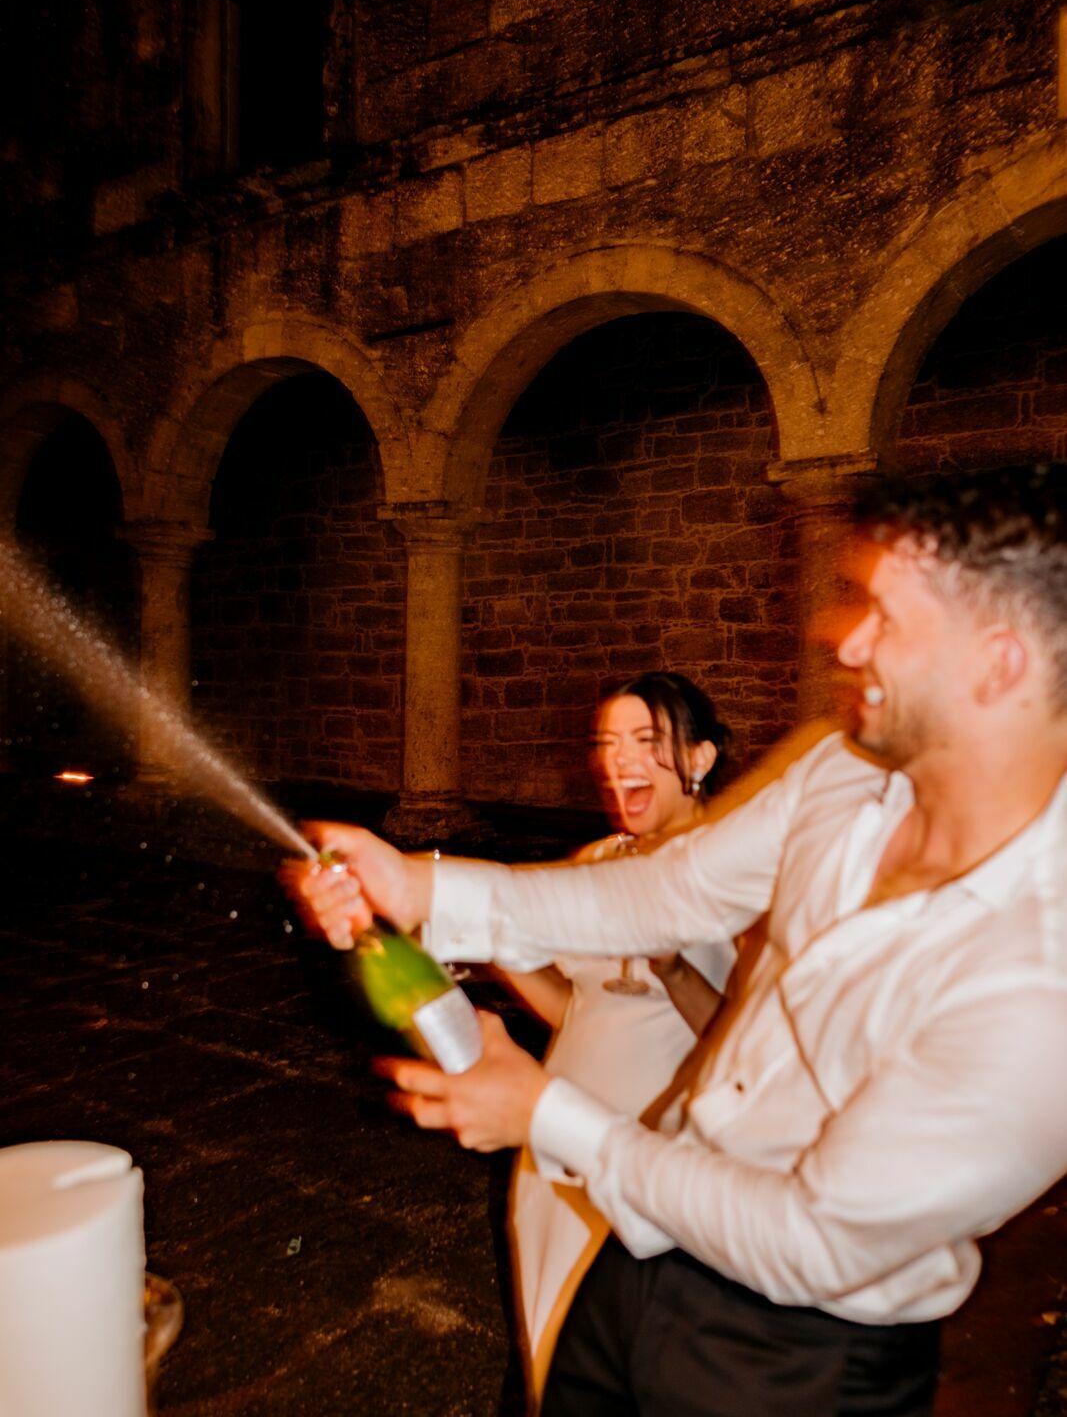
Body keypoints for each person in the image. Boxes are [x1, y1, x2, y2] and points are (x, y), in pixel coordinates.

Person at [284, 464, 1067, 1417]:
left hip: (798, 1359)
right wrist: (417, 885)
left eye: (887, 618)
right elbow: (666, 890)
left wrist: (546, 1117)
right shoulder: (842, 768)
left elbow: (814, 1240)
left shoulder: (1041, 980)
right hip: (643, 1251)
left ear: (1000, 664)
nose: (842, 636)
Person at [499, 673, 734, 1397]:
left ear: (699, 759)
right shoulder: (597, 861)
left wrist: (669, 966)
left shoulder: (734, 874)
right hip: (553, 1141)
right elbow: (576, 1005)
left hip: (649, 1149)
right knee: (550, 1344)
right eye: (605, 743)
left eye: (643, 741)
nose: (614, 761)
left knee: (633, 1365)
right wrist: (501, 955)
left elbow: (741, 1037)